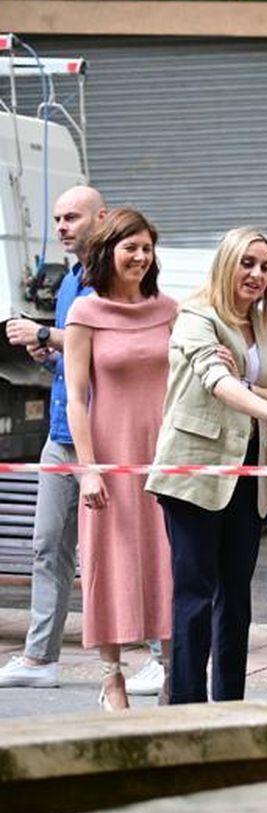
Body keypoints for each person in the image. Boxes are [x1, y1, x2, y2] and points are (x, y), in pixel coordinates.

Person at [146, 228, 267, 704]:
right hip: (195, 471)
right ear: (226, 264)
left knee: (236, 599)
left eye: (265, 267)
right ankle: (185, 707)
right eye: (247, 263)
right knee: (194, 596)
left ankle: (229, 706)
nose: (257, 275)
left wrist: (264, 393)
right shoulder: (197, 315)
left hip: (247, 475)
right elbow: (218, 382)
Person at [61, 209, 179, 710]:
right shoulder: (85, 314)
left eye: (146, 248)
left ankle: (177, 673)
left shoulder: (170, 309)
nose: (140, 256)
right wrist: (88, 468)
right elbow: (75, 398)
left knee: (174, 561)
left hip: (167, 454)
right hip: (111, 456)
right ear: (108, 251)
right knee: (109, 563)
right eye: (130, 246)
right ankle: (112, 678)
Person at [0, 186, 114, 691]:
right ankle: (40, 657)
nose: (63, 226)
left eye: (72, 217)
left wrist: (44, 334)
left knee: (120, 549)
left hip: (107, 437)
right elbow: (80, 352)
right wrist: (51, 356)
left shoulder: (115, 278)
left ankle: (154, 655)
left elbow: (110, 340)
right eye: (57, 218)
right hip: (61, 434)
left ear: (101, 218)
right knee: (48, 547)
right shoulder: (70, 279)